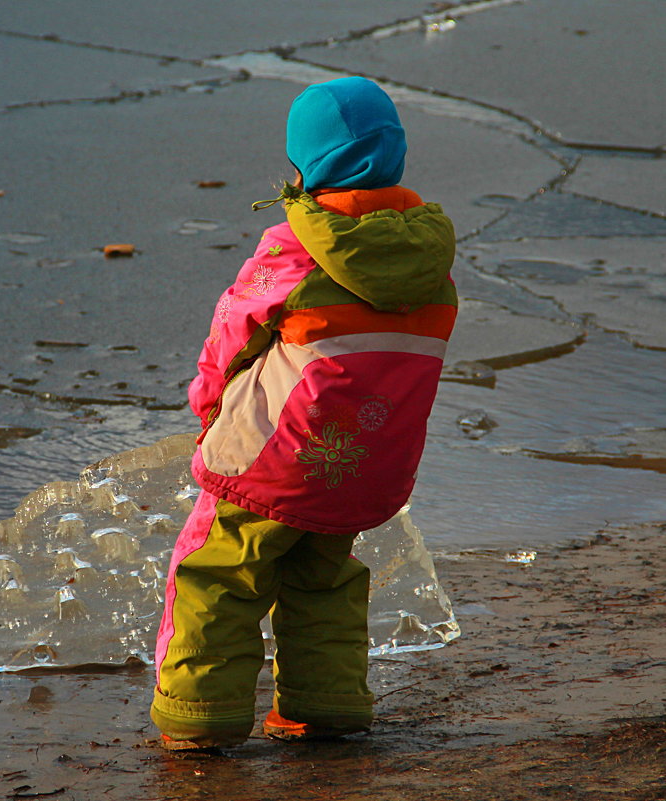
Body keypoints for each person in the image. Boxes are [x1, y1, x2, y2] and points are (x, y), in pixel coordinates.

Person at [150, 76, 458, 750]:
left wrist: (210, 412)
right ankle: (326, 704)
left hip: (275, 454)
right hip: (367, 466)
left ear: (303, 169)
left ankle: (199, 715)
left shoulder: (294, 247)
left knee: (215, 571)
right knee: (322, 576)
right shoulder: (432, 263)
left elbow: (231, 333)